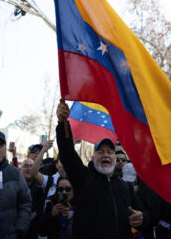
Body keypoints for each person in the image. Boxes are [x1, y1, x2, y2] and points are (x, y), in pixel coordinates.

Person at [56, 101, 149, 239]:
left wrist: (142, 218)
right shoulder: (84, 179)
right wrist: (63, 123)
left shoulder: (125, 187)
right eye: (101, 151)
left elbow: (144, 215)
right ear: (94, 158)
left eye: (110, 151)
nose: (106, 154)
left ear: (115, 158)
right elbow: (67, 152)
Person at [39, 174, 76, 239]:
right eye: (60, 189)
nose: (64, 192)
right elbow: (42, 232)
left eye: (68, 189)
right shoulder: (51, 203)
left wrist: (71, 216)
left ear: (73, 189)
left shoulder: (80, 203)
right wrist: (51, 215)